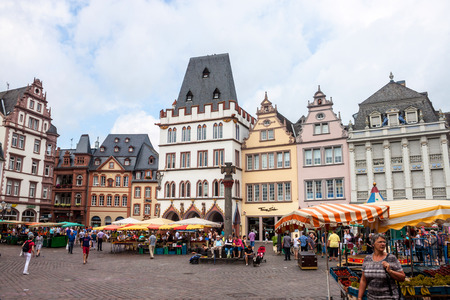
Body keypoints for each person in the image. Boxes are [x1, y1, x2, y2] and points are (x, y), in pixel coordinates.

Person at [358, 233, 405, 300]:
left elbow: (402, 278)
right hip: (371, 298)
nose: (383, 244)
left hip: (389, 298)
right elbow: (363, 280)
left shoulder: (391, 258)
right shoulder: (367, 259)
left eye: (384, 242)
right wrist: (359, 297)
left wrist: (390, 271)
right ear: (373, 244)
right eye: (380, 242)